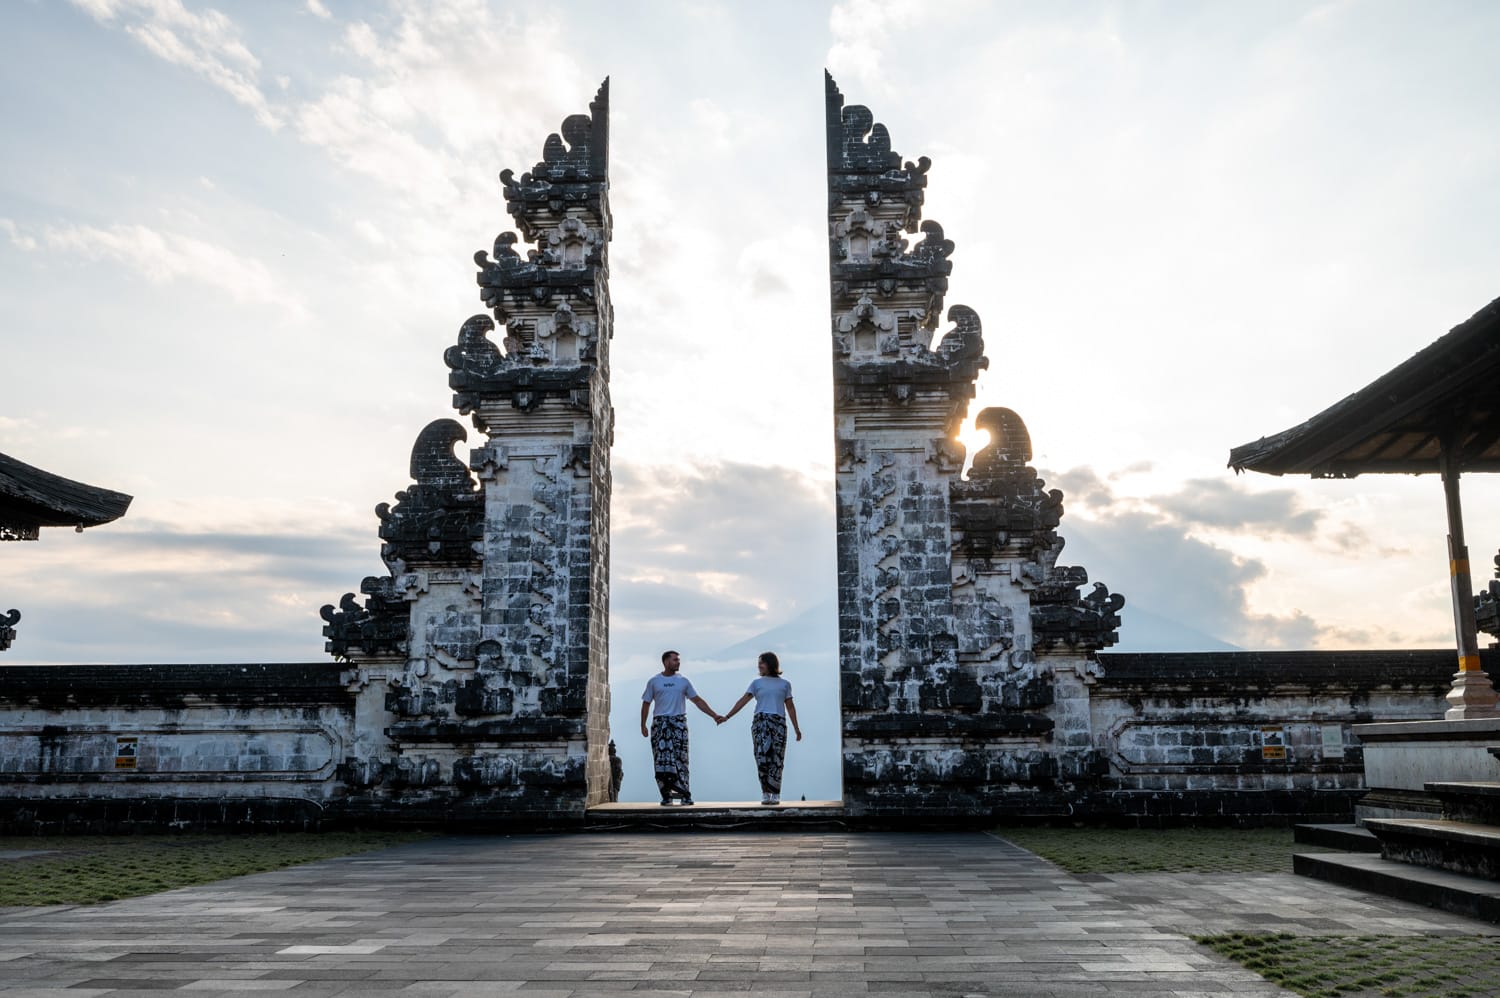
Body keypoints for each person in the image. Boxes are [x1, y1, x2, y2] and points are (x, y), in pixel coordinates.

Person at [640, 650, 722, 805]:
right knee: (661, 761)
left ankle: (685, 794)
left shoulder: (683, 681)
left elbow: (697, 700)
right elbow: (646, 703)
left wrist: (714, 715)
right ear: (666, 662)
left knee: (681, 759)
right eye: (675, 660)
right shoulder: (654, 681)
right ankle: (666, 796)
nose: (678, 662)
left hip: (678, 724)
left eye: (678, 660)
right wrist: (643, 725)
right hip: (660, 725)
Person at [719, 651, 801, 805]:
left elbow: (790, 707)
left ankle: (775, 793)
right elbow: (743, 700)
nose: (759, 666)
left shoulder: (785, 684)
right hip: (760, 722)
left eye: (762, 662)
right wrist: (727, 716)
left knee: (777, 758)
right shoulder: (756, 683)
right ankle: (765, 792)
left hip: (778, 723)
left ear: (770, 664)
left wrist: (796, 728)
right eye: (759, 663)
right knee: (761, 757)